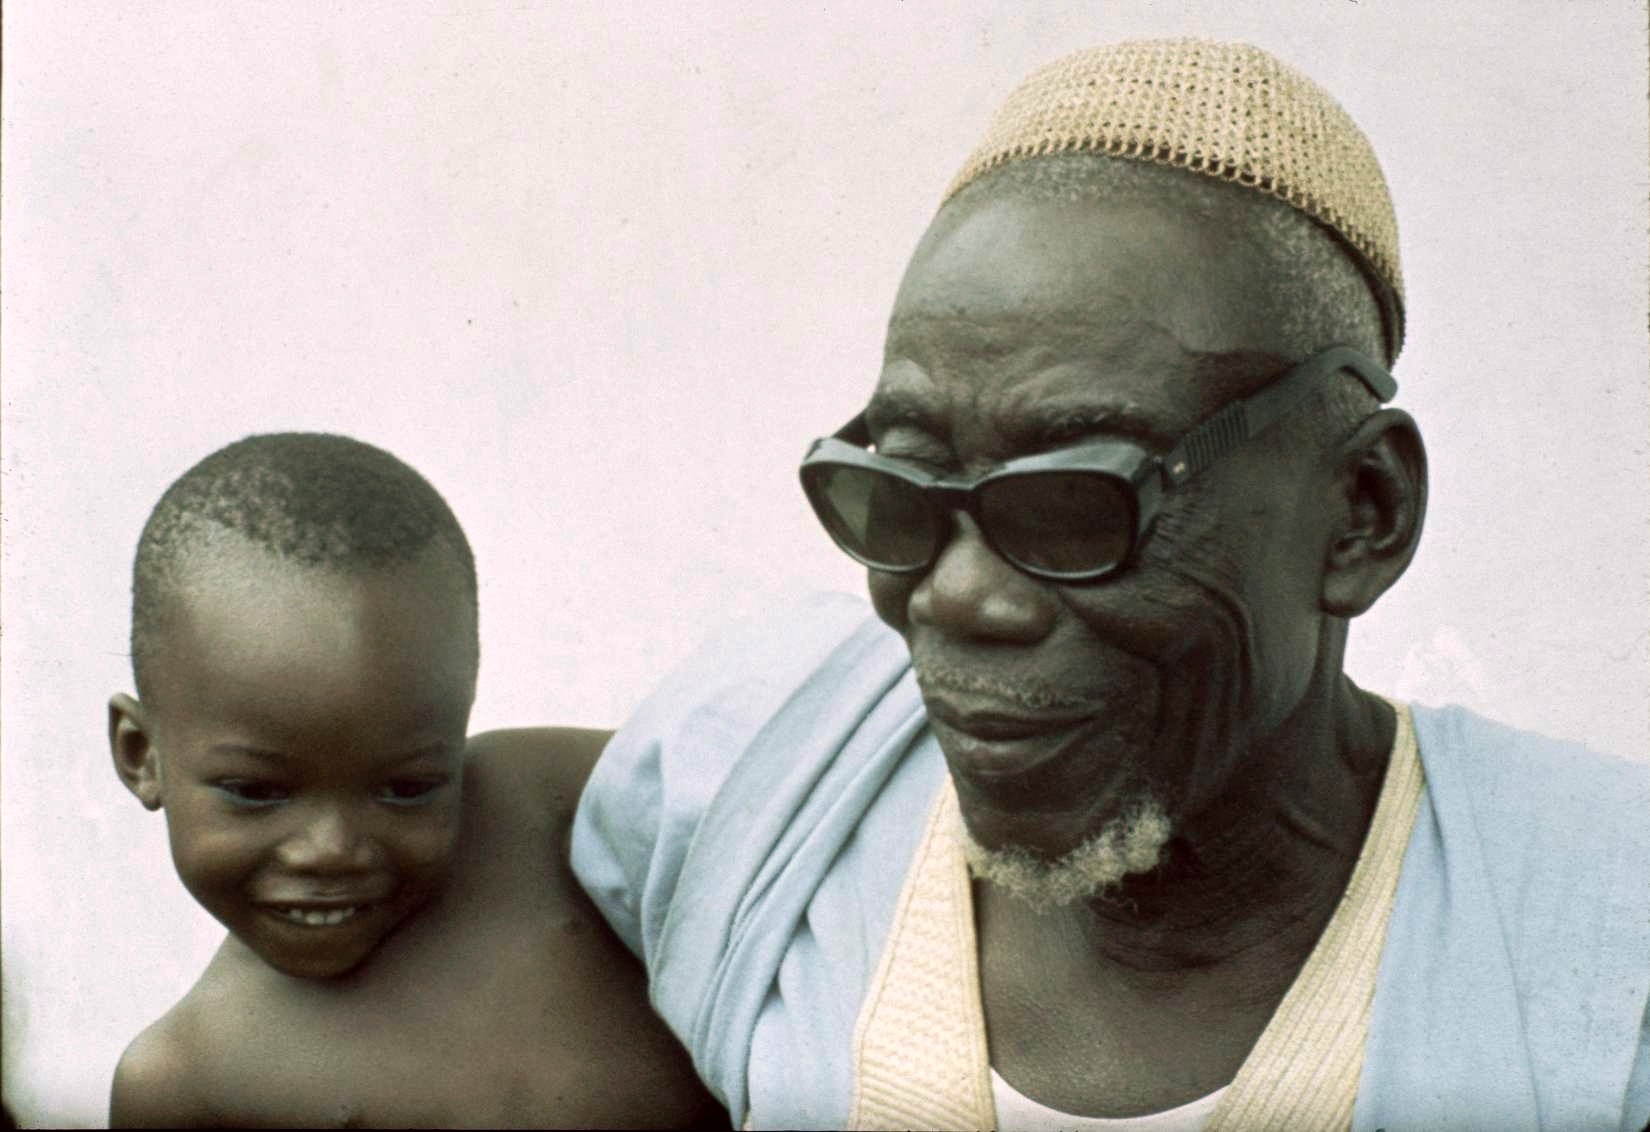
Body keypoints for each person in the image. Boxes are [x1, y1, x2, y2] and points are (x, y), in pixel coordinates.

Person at [568, 40, 1650, 1130]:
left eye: (1076, 503)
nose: (956, 597)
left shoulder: (1605, 951)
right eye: (901, 489)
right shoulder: (767, 782)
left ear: (1363, 510)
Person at [107, 433, 722, 1128]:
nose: (332, 849)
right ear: (140, 754)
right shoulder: (186, 1083)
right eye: (256, 791)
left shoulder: (556, 804)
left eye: (407, 788)